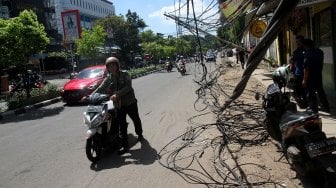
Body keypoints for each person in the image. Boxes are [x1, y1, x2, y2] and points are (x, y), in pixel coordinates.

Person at [90, 57, 144, 153]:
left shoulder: (125, 74)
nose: (111, 67)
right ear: (107, 67)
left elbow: (128, 87)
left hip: (130, 103)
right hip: (118, 105)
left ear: (117, 65)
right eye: (109, 65)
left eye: (113, 64)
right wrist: (91, 96)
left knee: (136, 119)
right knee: (122, 125)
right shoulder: (108, 78)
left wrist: (117, 94)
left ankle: (139, 134)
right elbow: (100, 88)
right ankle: (125, 146)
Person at [302, 39, 330, 113]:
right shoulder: (320, 52)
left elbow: (306, 69)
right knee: (320, 91)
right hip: (318, 75)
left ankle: (313, 109)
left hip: (310, 77)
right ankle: (326, 107)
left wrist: (304, 80)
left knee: (311, 93)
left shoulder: (307, 54)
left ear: (305, 45)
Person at [289, 35, 307, 108]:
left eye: (299, 41)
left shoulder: (306, 50)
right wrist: (290, 72)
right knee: (297, 90)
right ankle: (302, 103)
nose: (298, 43)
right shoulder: (296, 52)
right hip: (298, 73)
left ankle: (306, 103)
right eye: (297, 42)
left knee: (305, 90)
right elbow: (292, 63)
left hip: (306, 73)